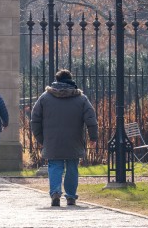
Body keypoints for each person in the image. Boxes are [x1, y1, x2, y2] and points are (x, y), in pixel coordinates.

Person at [30, 68, 98, 207]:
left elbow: (35, 119)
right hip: (74, 139)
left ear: (56, 80)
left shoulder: (45, 97)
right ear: (71, 79)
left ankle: (55, 193)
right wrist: (93, 137)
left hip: (52, 140)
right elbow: (91, 119)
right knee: (72, 166)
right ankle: (71, 196)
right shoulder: (81, 98)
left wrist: (41, 138)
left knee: (55, 165)